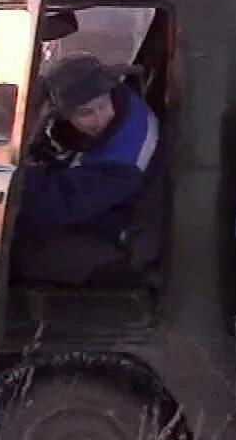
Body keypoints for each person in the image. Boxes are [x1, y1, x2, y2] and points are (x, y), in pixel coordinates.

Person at [11, 52, 162, 287]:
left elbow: (62, 203)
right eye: (86, 113)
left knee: (15, 251)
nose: (100, 118)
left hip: (117, 233)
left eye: (101, 106)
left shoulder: (122, 161)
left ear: (109, 92)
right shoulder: (123, 105)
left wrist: (16, 182)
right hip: (103, 211)